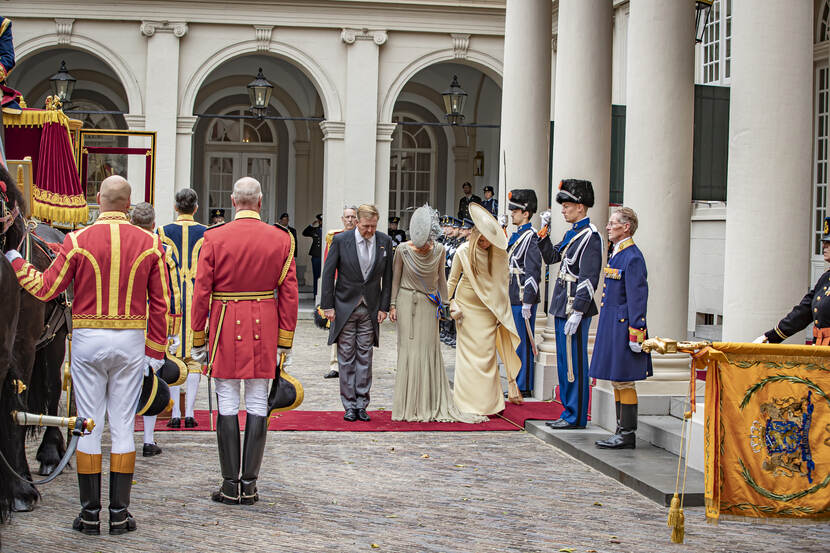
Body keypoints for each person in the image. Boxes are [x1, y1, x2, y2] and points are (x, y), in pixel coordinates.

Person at [6, 175, 171, 535]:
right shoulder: (150, 243)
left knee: (89, 425)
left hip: (87, 341)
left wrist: (16, 259)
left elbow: (46, 287)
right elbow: (162, 304)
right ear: (128, 204)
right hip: (129, 341)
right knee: (124, 426)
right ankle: (120, 514)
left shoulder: (76, 241)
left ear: (98, 200)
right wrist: (155, 351)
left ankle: (89, 514)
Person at [190, 177, 298, 506]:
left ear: (234, 201)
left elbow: (201, 292)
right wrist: (284, 340)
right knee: (256, 401)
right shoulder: (280, 239)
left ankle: (228, 484)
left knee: (225, 399)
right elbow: (290, 294)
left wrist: (198, 336)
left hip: (223, 321)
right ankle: (249, 485)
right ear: (260, 202)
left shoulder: (213, 237)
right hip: (264, 323)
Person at [389, 205, 487, 423]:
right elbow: (395, 278)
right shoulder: (403, 250)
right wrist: (393, 304)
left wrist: (445, 303)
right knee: (407, 352)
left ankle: (428, 402)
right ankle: (409, 404)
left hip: (428, 304)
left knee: (428, 351)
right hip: (406, 302)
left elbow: (442, 279)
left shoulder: (440, 250)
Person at [538, 179, 603, 430]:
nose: (563, 210)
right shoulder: (573, 233)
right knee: (565, 361)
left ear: (581, 207)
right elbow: (552, 256)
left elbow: (589, 278)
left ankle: (575, 415)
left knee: (574, 363)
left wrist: (578, 310)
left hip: (574, 305)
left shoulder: (590, 237)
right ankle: (568, 410)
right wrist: (544, 230)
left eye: (567, 206)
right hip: (562, 303)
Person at [448, 202, 523, 415]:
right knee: (468, 359)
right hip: (466, 311)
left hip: (488, 312)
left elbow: (500, 285)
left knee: (488, 356)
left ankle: (490, 403)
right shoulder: (462, 251)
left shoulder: (498, 254)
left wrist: (501, 311)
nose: (483, 244)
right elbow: (452, 281)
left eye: (487, 241)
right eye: (480, 239)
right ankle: (466, 402)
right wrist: (447, 302)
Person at [320, 204, 393, 422]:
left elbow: (387, 277)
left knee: (365, 356)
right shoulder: (341, 241)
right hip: (344, 307)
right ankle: (349, 405)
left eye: (373, 226)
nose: (370, 230)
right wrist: (327, 305)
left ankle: (362, 403)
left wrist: (384, 306)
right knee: (345, 357)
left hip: (370, 308)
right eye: (366, 226)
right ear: (356, 222)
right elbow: (327, 273)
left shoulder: (384, 242)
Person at [590, 207, 652, 449]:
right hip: (613, 325)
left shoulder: (633, 256)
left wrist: (637, 332)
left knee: (624, 381)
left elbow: (637, 298)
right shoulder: (617, 253)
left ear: (626, 227)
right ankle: (620, 429)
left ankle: (627, 433)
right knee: (617, 380)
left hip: (625, 327)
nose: (608, 227)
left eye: (612, 223)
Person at [130, 202, 182, 456]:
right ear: (153, 225)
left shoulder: (123, 245)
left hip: (127, 322)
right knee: (152, 381)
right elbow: (170, 294)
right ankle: (148, 440)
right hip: (152, 325)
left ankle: (125, 434)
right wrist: (171, 331)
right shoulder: (162, 249)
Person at [157, 189, 207, 430]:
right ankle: (190, 413)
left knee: (174, 357)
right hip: (197, 301)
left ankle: (175, 412)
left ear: (176, 207)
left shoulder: (162, 232)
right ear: (195, 207)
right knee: (195, 358)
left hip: (171, 303)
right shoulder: (207, 233)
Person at [755, 216, 830, 346]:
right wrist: (771, 337)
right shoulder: (825, 278)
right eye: (824, 242)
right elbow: (803, 312)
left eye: (829, 243)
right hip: (821, 350)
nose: (824, 246)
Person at [506, 189, 542, 398]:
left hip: (521, 296)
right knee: (514, 342)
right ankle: (515, 382)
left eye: (516, 211)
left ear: (526, 213)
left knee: (522, 342)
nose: (512, 214)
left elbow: (532, 272)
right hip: (512, 294)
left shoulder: (532, 237)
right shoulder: (518, 235)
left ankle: (523, 383)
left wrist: (528, 300)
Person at [322, 205, 358, 379]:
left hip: (357, 288)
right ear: (342, 220)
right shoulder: (335, 238)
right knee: (337, 325)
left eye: (353, 217)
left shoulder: (364, 237)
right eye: (347, 217)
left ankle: (356, 363)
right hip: (339, 286)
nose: (350, 220)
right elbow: (328, 267)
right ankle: (335, 364)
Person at [302, 213, 323, 297]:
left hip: (325, 255)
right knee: (316, 275)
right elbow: (305, 233)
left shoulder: (327, 229)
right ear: (318, 221)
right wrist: (311, 225)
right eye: (320, 220)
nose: (321, 222)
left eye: (322, 220)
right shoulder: (314, 230)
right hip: (316, 256)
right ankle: (316, 294)